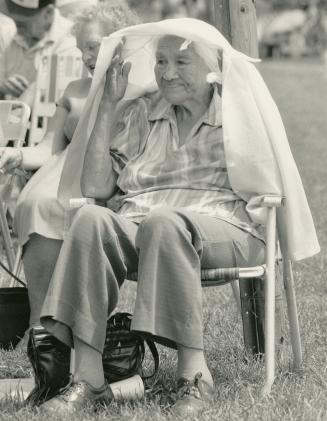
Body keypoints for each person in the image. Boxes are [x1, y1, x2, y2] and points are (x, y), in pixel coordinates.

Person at [33, 18, 319, 416]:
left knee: (166, 221)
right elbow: (96, 186)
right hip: (142, 221)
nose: (167, 73)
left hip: (224, 227)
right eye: (161, 61)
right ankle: (88, 378)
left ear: (212, 66)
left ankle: (195, 376)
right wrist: (108, 105)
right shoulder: (141, 112)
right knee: (90, 219)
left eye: (182, 63)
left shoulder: (236, 112)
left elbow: (270, 184)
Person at [0, 0, 140, 328]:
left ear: (119, 41)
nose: (87, 58)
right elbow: (49, 147)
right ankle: (41, 323)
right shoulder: (75, 89)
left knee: (57, 204)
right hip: (61, 171)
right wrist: (16, 155)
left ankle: (71, 322)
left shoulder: (138, 91)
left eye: (93, 48)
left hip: (107, 174)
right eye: (82, 51)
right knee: (35, 202)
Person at [0, 0, 77, 106]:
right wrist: (2, 87)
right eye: (13, 17)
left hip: (44, 118)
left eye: (23, 22)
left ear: (48, 12)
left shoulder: (71, 39)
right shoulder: (6, 31)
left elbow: (52, 94)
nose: (16, 24)